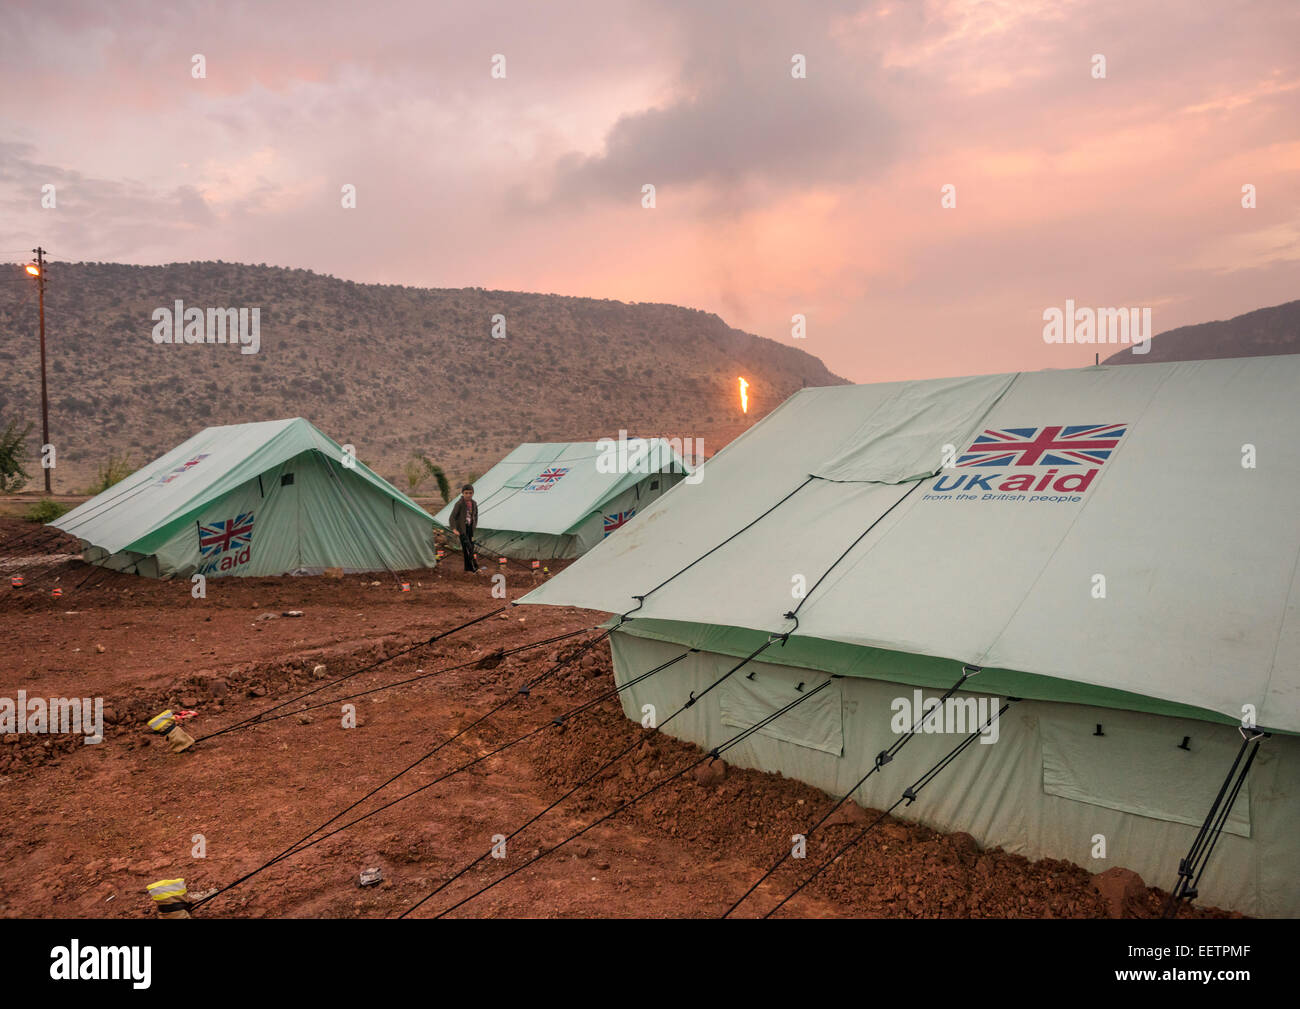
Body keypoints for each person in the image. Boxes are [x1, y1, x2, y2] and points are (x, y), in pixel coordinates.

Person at [449, 483, 481, 573]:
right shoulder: (459, 504)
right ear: (462, 493)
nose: (468, 495)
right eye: (466, 493)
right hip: (462, 529)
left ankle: (469, 568)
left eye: (470, 493)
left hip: (470, 528)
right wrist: (454, 529)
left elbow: (476, 515)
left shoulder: (474, 503)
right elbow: (452, 517)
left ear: (473, 493)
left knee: (471, 547)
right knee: (467, 548)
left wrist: (474, 525)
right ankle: (473, 567)